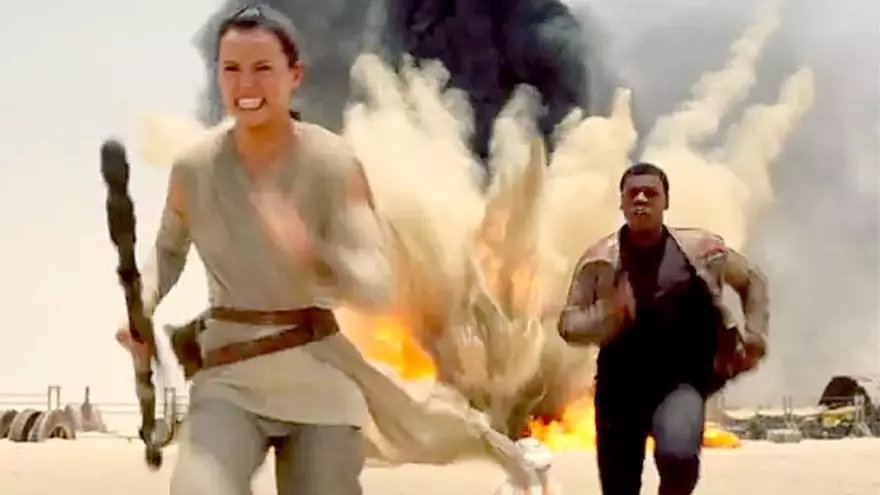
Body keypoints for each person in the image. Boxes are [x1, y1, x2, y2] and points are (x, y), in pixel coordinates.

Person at [115, 5, 532, 495]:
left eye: (262, 68)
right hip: (229, 375)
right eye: (231, 69)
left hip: (319, 375)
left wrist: (311, 255)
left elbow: (376, 285)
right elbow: (168, 250)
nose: (245, 85)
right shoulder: (194, 167)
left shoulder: (334, 164)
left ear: (294, 75)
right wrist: (141, 306)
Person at [557, 162, 769, 495]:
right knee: (619, 486)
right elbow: (568, 324)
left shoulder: (702, 251)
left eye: (651, 193)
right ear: (622, 202)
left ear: (665, 201)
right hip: (619, 387)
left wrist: (755, 333)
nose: (641, 199)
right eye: (633, 194)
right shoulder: (599, 260)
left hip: (680, 381)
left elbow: (752, 280)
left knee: (679, 460)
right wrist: (608, 314)